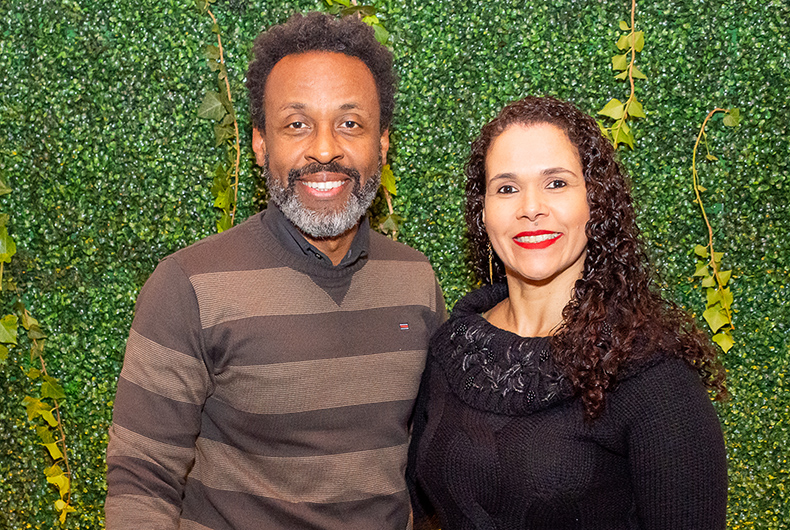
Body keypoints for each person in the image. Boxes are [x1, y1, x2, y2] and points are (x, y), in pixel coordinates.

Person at [105, 12, 445, 530]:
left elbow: (431, 464)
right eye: (297, 124)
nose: (325, 149)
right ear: (261, 144)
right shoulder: (188, 285)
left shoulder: (415, 281)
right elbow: (141, 481)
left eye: (350, 124)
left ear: (382, 144)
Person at [408, 96, 728, 529]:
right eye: (506, 188)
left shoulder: (653, 376)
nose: (530, 207)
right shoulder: (453, 349)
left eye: (556, 183)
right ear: (483, 213)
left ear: (595, 201)